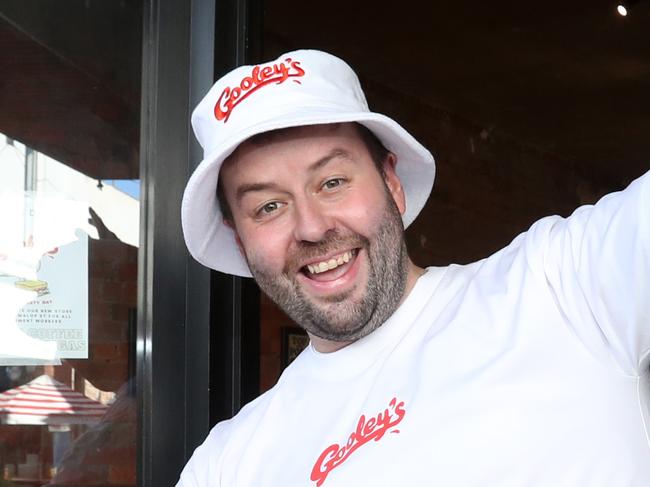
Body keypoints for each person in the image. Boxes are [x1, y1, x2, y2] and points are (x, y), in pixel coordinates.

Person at [177, 50, 650, 486]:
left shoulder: (562, 285)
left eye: (332, 181)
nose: (312, 227)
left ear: (392, 184)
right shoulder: (226, 465)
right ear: (241, 242)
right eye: (269, 207)